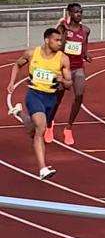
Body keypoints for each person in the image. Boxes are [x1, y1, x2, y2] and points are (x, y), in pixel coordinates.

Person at [7, 28, 72, 180]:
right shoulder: (32, 53)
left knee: (33, 132)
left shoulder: (63, 59)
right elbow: (17, 64)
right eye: (56, 40)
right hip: (34, 95)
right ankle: (42, 168)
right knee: (41, 128)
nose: (60, 43)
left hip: (51, 98)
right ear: (47, 40)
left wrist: (62, 79)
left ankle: (18, 112)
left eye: (61, 40)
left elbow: (69, 85)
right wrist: (12, 82)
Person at [46, 3, 91, 146]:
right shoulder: (62, 28)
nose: (79, 15)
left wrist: (86, 55)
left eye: (81, 12)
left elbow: (83, 47)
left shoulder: (86, 30)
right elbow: (58, 47)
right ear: (70, 14)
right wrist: (64, 32)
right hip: (63, 68)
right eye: (76, 12)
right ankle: (49, 125)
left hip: (78, 68)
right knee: (57, 99)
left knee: (79, 95)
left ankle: (69, 128)